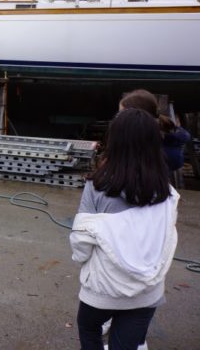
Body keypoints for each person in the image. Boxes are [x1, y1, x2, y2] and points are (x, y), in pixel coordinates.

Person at [70, 108, 179, 350]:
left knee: (89, 328)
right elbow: (165, 235)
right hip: (146, 291)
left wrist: (82, 259)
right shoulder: (166, 191)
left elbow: (81, 241)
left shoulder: (97, 185)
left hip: (103, 288)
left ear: (114, 141)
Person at [119, 89, 192, 172]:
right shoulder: (151, 139)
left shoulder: (159, 150)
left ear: (138, 116)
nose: (119, 119)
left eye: (122, 114)